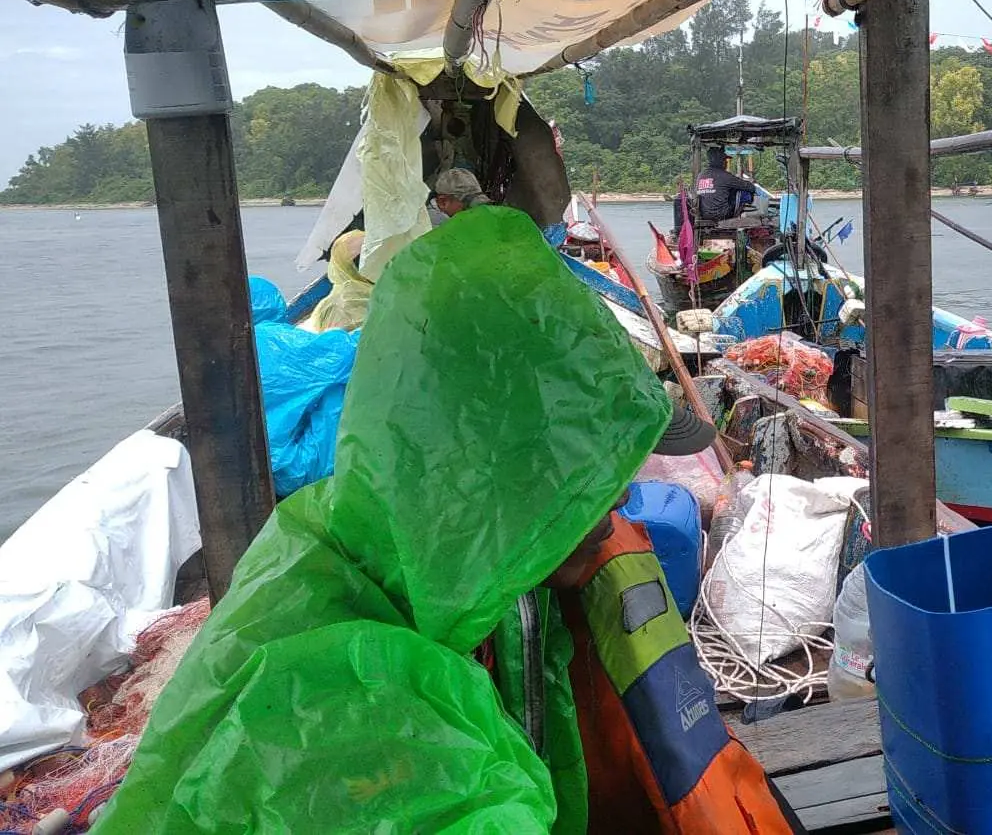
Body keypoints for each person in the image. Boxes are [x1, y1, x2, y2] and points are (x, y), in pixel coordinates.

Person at [96, 206, 792, 833]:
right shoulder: (348, 693)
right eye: (589, 483)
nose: (617, 509)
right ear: (501, 483)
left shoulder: (415, 562)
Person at [693, 145, 753, 223]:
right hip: (722, 215)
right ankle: (739, 219)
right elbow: (750, 187)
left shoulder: (701, 175)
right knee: (742, 192)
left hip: (704, 215)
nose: (726, 163)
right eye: (725, 160)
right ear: (720, 161)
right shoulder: (725, 176)